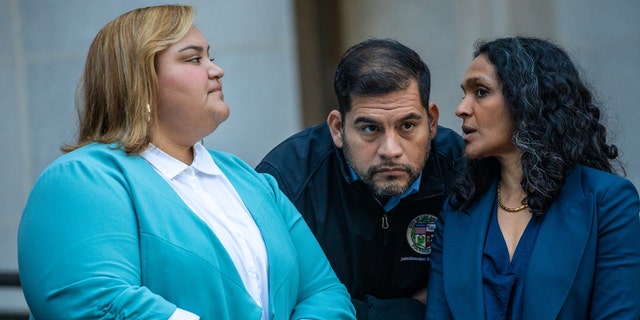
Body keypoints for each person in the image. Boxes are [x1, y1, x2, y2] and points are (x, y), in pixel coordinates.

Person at [17, 5, 356, 320]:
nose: (217, 70)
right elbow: (93, 300)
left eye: (211, 56)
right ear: (141, 81)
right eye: (194, 59)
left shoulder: (247, 179)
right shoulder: (82, 178)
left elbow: (324, 291)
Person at [425, 36, 640, 319]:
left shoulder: (607, 202)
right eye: (464, 93)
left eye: (480, 92)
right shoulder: (457, 212)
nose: (461, 108)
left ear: (527, 100)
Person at [256, 39, 465, 320]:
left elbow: (473, 291)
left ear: (432, 122)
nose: (391, 150)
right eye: (370, 128)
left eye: (407, 126)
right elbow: (277, 303)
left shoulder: (462, 170)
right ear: (338, 128)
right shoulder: (287, 181)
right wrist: (410, 310)